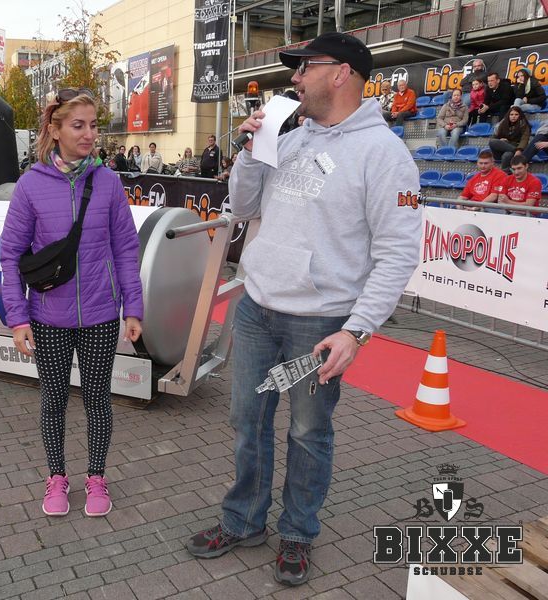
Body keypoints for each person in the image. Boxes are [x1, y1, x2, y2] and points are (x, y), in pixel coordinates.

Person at [186, 32, 421, 587]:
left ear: (340, 74)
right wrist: (251, 152)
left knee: (307, 433)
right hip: (257, 310)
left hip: (318, 325)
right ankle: (243, 521)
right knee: (247, 422)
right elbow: (243, 208)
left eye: (304, 67)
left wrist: (357, 331)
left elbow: (398, 252)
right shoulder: (287, 140)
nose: (293, 78)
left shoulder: (385, 155)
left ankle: (297, 532)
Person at [0, 88, 144, 519]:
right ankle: (57, 477)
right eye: (78, 125)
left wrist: (133, 307)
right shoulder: (30, 186)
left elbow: (126, 249)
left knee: (98, 399)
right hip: (48, 316)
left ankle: (96, 477)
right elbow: (11, 255)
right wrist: (18, 318)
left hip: (101, 314)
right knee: (54, 401)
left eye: (93, 125)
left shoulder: (108, 182)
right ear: (55, 129)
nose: (88, 134)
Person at [489, 106, 530, 172]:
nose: (513, 116)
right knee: (492, 142)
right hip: (501, 150)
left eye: (516, 114)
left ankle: (504, 173)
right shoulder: (503, 123)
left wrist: (519, 150)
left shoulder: (524, 125)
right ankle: (514, 151)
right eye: (511, 114)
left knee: (507, 155)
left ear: (520, 115)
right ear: (508, 115)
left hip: (516, 148)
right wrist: (500, 140)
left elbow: (524, 139)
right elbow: (494, 137)